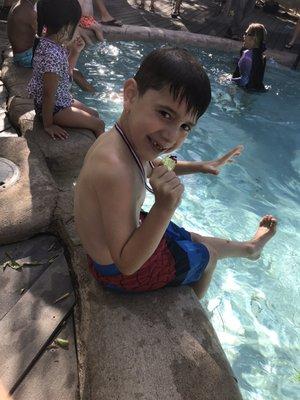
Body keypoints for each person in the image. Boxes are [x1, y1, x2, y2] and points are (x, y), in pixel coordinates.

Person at [74, 47, 277, 298]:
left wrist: (201, 166)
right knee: (208, 255)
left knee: (194, 238)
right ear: (130, 95)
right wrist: (164, 207)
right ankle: (193, 307)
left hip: (128, 236)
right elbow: (127, 264)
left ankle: (250, 248)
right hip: (115, 272)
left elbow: (155, 166)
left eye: (185, 126)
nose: (172, 136)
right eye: (165, 114)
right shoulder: (115, 170)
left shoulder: (122, 142)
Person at [28, 0, 105, 140]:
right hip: (55, 109)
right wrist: (48, 125)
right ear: (67, 26)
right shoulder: (52, 54)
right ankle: (103, 158)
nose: (78, 29)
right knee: (99, 125)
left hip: (60, 99)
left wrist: (75, 52)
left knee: (95, 114)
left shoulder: (49, 43)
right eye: (78, 25)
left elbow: (64, 74)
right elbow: (48, 94)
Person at [232, 23, 267, 92]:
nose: (243, 36)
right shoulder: (262, 55)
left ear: (253, 38)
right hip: (258, 91)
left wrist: (228, 80)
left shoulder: (247, 56)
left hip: (245, 92)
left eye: (246, 34)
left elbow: (244, 81)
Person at [7, 0, 37, 68]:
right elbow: (42, 35)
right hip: (25, 58)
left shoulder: (17, 5)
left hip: (18, 55)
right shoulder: (29, 12)